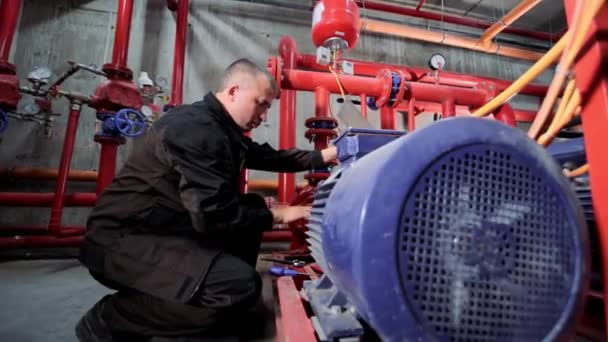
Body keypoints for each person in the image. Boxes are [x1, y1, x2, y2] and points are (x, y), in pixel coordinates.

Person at [76, 58, 338, 341]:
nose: (264, 116)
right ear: (234, 91)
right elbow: (213, 215)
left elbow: (270, 156)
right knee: (235, 286)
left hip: (163, 230)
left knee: (250, 207)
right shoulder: (194, 129)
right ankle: (114, 317)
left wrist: (326, 155)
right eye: (261, 103)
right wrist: (280, 214)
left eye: (268, 108)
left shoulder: (221, 128)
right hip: (122, 242)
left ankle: (221, 307)